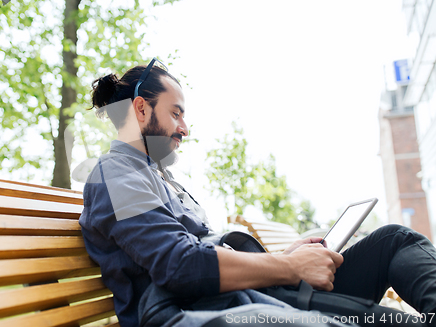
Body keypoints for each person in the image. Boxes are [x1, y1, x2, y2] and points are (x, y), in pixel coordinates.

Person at [79, 59, 436, 327]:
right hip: (204, 312)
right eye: (176, 114)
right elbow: (180, 265)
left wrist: (285, 256)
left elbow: (202, 251)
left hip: (246, 297)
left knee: (394, 240)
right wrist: (288, 266)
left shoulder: (159, 178)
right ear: (140, 109)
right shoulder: (115, 175)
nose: (184, 128)